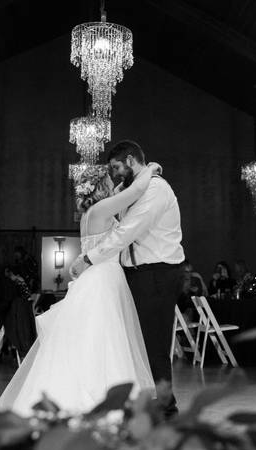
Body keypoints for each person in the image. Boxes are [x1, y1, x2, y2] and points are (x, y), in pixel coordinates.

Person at [0, 159, 163, 415]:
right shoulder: (101, 210)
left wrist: (118, 185)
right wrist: (150, 169)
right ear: (100, 187)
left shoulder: (91, 213)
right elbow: (134, 192)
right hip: (103, 280)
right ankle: (103, 401)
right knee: (105, 340)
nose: (113, 183)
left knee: (91, 338)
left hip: (95, 278)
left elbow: (121, 194)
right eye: (109, 181)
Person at [69, 140, 184, 416]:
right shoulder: (132, 190)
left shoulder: (156, 189)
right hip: (135, 274)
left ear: (131, 160)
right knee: (137, 340)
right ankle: (146, 398)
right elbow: (126, 191)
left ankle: (167, 406)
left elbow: (126, 233)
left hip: (158, 271)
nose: (115, 174)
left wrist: (88, 258)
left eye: (117, 167)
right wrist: (148, 170)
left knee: (155, 342)